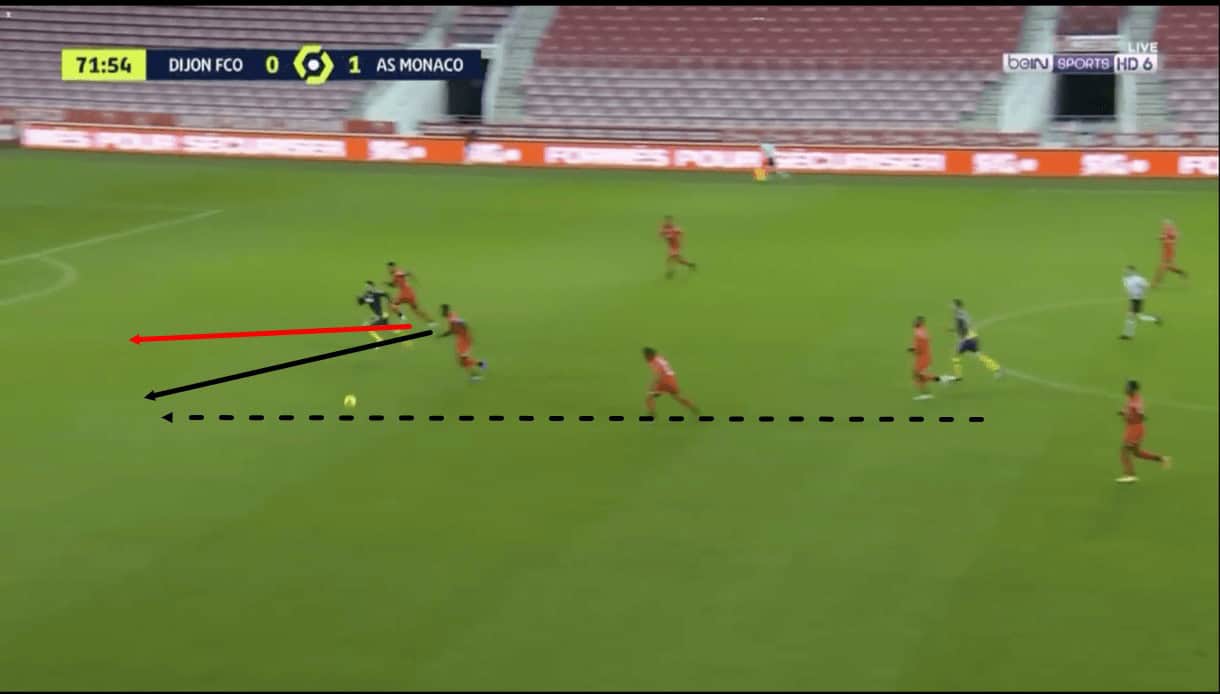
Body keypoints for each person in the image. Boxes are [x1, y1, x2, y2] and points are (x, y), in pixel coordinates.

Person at [1115, 379, 1171, 483]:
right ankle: (1162, 459)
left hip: (1135, 429)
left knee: (1124, 451)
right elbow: (1129, 410)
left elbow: (1140, 414)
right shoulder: (1131, 398)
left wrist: (1132, 416)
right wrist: (1123, 412)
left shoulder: (1136, 401)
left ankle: (1130, 475)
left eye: (1127, 387)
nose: (1125, 389)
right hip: (1131, 428)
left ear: (1133, 389)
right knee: (1137, 453)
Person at [944, 299, 1003, 381]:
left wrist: (961, 338)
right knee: (980, 355)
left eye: (952, 305)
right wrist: (953, 329)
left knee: (956, 356)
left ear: (956, 306)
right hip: (973, 337)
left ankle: (958, 376)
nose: (951, 306)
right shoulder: (964, 313)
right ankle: (997, 369)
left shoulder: (958, 315)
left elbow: (963, 327)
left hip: (966, 340)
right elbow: (967, 324)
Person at [643, 347, 699, 415]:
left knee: (649, 396)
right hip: (671, 378)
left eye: (646, 355)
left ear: (650, 355)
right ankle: (693, 407)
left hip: (664, 380)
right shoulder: (660, 358)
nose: (645, 357)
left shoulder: (654, 362)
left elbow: (659, 374)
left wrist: (653, 385)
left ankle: (652, 414)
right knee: (677, 396)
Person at [440, 304, 487, 381]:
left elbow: (463, 324)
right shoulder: (450, 317)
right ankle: (480, 365)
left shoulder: (453, 318)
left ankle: (475, 375)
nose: (441, 313)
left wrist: (468, 336)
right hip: (460, 339)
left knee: (463, 360)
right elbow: (452, 330)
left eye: (442, 311)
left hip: (464, 340)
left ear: (446, 311)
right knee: (462, 361)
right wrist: (442, 335)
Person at [385, 261, 436, 328]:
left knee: (391, 304)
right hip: (410, 294)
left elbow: (405, 273)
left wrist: (411, 276)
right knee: (416, 310)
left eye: (390, 268)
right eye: (388, 268)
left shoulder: (397, 273)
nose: (389, 269)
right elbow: (393, 285)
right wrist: (387, 283)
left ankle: (401, 318)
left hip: (404, 294)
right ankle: (431, 322)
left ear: (394, 267)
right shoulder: (394, 275)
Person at [908, 316, 948, 400]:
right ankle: (939, 381)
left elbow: (919, 348)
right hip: (924, 356)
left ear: (919, 323)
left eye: (916, 321)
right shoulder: (922, 330)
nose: (914, 322)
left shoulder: (918, 333)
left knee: (918, 374)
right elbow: (927, 340)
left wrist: (913, 349)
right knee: (919, 375)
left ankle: (940, 381)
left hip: (922, 357)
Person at [1120, 266, 1161, 340]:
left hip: (1138, 300)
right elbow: (1127, 288)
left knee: (1136, 317)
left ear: (1133, 271)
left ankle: (1155, 319)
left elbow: (1147, 286)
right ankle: (1127, 335)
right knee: (1131, 316)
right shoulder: (1125, 279)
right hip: (1132, 300)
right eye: (1125, 270)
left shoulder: (1139, 279)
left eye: (1128, 270)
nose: (1126, 272)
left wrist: (1142, 292)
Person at [1152, 219, 1188, 287]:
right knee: (1170, 267)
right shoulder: (1165, 230)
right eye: (1164, 225)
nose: (1163, 226)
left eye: (1165, 225)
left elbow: (1174, 238)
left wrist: (1165, 239)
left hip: (1169, 252)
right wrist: (1161, 237)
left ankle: (1155, 283)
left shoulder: (1172, 231)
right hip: (1165, 252)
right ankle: (1182, 273)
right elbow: (1163, 236)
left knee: (1162, 267)